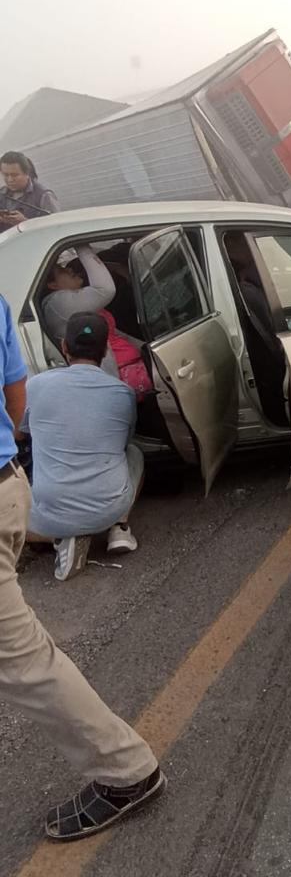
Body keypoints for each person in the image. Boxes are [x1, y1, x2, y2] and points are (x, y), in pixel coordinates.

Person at [0, 294, 165, 840]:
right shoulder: (121, 392)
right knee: (129, 456)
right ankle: (114, 527)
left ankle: (126, 770)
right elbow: (12, 405)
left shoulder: (46, 384)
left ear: (64, 346)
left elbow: (25, 422)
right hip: (17, 497)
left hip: (40, 503)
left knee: (24, 661)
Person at [23, 312, 144, 578]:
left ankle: (59, 539)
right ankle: (119, 529)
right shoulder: (123, 393)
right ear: (105, 350)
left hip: (48, 514)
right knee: (134, 453)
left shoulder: (35, 386)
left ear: (64, 346)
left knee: (12, 514)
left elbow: (21, 435)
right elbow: (122, 444)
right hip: (107, 509)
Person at [42, 245, 119, 377]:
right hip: (100, 383)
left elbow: (117, 334)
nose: (69, 270)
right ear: (52, 285)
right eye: (61, 270)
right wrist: (82, 246)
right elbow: (104, 290)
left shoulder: (69, 303)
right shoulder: (57, 303)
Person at [0, 151, 59, 232]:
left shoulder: (44, 195)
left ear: (27, 173)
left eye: (15, 175)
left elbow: (56, 228)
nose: (10, 180)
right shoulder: (1, 194)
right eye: (6, 175)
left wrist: (25, 222)